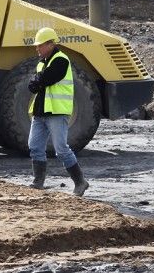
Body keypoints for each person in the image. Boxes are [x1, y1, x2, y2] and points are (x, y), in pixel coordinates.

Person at [27, 27, 89, 196]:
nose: (37, 48)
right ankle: (38, 182)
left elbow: (45, 79)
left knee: (61, 149)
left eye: (40, 45)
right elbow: (33, 84)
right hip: (40, 112)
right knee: (34, 146)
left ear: (51, 44)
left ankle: (80, 182)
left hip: (57, 113)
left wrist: (38, 80)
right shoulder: (42, 63)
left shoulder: (61, 60)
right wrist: (38, 80)